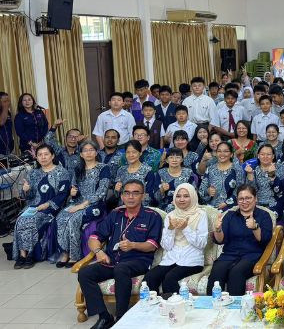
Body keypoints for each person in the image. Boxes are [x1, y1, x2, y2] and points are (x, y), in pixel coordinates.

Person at [79, 180, 162, 328]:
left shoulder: (152, 216)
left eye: (135, 193)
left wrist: (133, 245)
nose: (130, 197)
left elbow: (152, 246)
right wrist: (98, 252)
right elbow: (94, 238)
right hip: (112, 260)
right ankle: (104, 317)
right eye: (127, 193)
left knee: (121, 269)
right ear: (122, 196)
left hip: (139, 261)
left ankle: (121, 318)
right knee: (85, 272)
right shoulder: (115, 214)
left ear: (142, 196)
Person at [208, 183, 274, 296]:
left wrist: (255, 227)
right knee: (217, 270)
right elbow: (220, 241)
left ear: (255, 199)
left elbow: (264, 240)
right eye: (241, 199)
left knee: (236, 272)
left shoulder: (264, 215)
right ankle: (212, 308)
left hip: (252, 256)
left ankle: (236, 310)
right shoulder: (230, 215)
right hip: (230, 254)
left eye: (248, 198)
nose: (244, 201)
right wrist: (218, 230)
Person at [143, 183, 207, 298]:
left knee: (169, 278)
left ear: (192, 197)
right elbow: (166, 246)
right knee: (150, 277)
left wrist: (185, 228)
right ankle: (155, 309)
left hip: (192, 260)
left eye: (186, 196)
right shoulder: (170, 216)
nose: (181, 199)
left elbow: (201, 244)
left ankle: (179, 309)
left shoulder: (201, 215)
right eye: (178, 196)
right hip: (171, 259)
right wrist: (171, 229)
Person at [13, 144, 71, 268]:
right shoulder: (33, 173)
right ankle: (22, 255)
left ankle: (30, 255)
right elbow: (28, 197)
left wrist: (46, 205)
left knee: (32, 220)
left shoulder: (62, 172)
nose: (43, 157)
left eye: (46, 154)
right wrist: (26, 190)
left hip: (52, 208)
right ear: (36, 158)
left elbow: (62, 195)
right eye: (40, 155)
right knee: (20, 220)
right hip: (33, 206)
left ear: (52, 156)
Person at [55, 141, 111, 267]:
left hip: (96, 204)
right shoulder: (78, 169)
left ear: (96, 152)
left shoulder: (103, 168)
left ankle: (74, 255)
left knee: (73, 219)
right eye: (85, 150)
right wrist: (73, 192)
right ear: (81, 154)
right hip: (77, 202)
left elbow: (102, 192)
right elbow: (74, 189)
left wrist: (82, 205)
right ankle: (65, 252)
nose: (88, 152)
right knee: (61, 217)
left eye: (91, 149)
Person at [246, 144, 284, 222]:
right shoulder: (253, 169)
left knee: (267, 219)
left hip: (274, 202)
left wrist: (272, 175)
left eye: (268, 154)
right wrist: (250, 175)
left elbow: (280, 191)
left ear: (273, 156)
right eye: (262, 154)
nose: (265, 157)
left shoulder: (279, 167)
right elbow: (250, 191)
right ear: (258, 156)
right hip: (256, 202)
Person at [201, 141, 245, 210]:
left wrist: (227, 203)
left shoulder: (237, 169)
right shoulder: (210, 169)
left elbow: (241, 190)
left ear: (231, 154)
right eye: (219, 151)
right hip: (211, 208)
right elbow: (202, 190)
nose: (222, 154)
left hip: (231, 208)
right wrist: (208, 191)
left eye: (226, 151)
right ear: (216, 153)